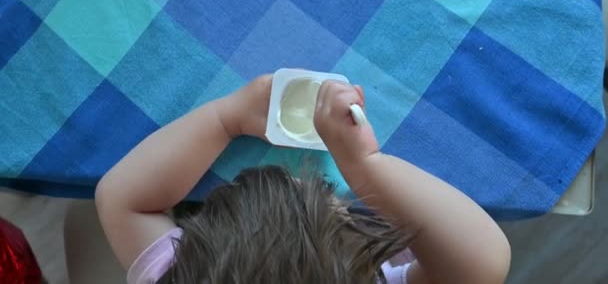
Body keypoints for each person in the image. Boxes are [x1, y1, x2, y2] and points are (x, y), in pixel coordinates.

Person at [95, 74, 511, 284]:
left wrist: (226, 117)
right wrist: (366, 164)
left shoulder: (177, 274)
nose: (298, 178)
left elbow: (122, 198)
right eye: (327, 197)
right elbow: (482, 264)